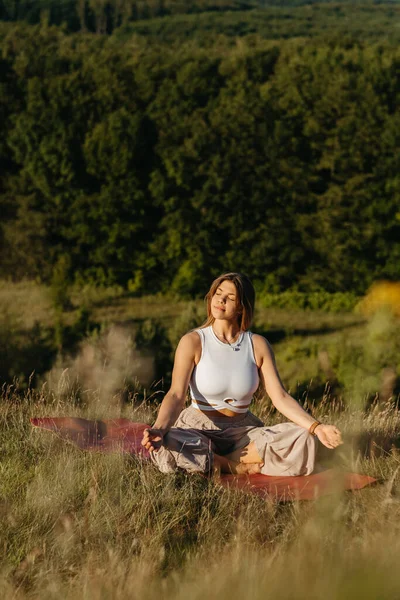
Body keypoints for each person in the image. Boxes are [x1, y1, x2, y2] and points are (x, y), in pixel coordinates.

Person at [141, 272, 343, 476]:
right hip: (198, 428)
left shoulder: (257, 345)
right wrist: (159, 428)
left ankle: (219, 462)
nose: (221, 299)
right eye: (218, 293)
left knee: (302, 437)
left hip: (243, 432)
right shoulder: (193, 341)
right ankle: (235, 465)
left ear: (241, 306)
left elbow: (279, 397)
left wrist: (317, 427)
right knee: (168, 441)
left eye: (230, 297)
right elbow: (176, 394)